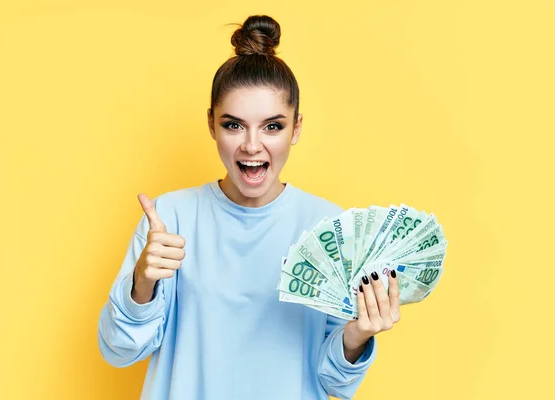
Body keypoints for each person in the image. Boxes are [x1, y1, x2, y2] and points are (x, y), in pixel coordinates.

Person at [98, 14, 401, 400]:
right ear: (211, 124)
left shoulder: (329, 227)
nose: (252, 146)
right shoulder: (169, 219)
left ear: (297, 128)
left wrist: (357, 335)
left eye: (272, 126)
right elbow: (118, 351)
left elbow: (333, 383)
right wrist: (142, 284)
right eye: (234, 125)